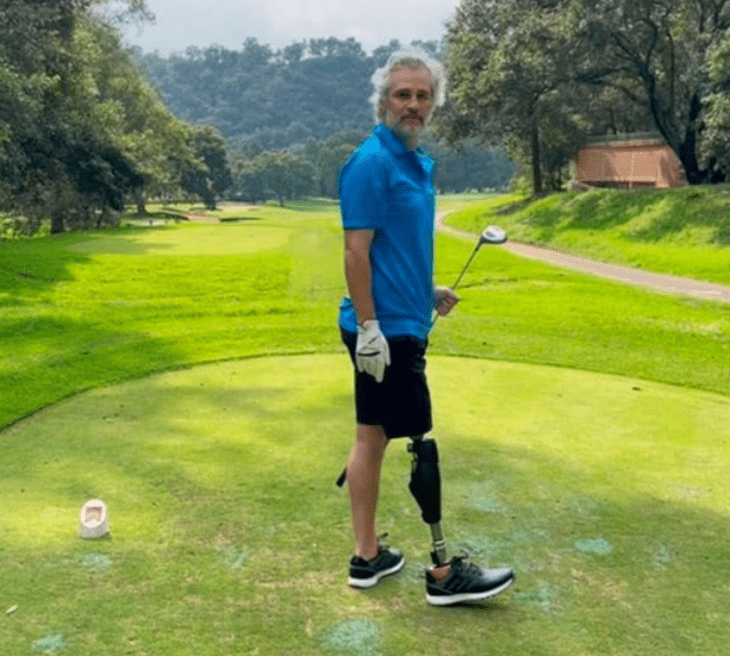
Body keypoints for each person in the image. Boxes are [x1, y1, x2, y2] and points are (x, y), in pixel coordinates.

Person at [337, 48, 515, 606]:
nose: (413, 105)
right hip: (384, 332)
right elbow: (355, 251)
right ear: (383, 101)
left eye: (422, 96)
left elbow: (399, 250)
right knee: (417, 440)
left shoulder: (416, 163)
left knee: (372, 436)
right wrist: (370, 328)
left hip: (400, 318)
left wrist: (426, 292)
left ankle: (367, 558)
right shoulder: (371, 163)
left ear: (433, 103)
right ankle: (443, 575)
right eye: (402, 94)